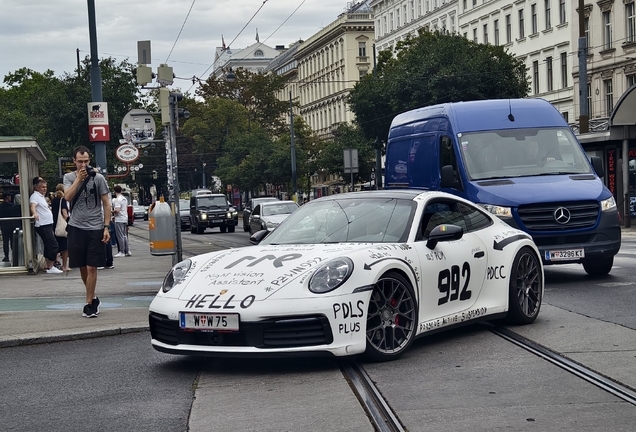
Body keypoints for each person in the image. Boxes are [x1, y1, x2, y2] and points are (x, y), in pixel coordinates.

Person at [63, 146, 111, 318]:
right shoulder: (68, 177)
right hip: (76, 227)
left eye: (86, 161)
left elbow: (106, 203)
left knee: (92, 267)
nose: (83, 165)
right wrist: (78, 180)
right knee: (82, 266)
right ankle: (94, 296)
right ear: (74, 161)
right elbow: (67, 197)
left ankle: (89, 303)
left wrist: (106, 227)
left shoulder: (98, 178)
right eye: (80, 162)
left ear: (89, 161)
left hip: (95, 227)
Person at [29, 177, 62, 274]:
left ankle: (48, 265)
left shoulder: (41, 196)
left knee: (48, 245)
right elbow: (33, 206)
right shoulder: (35, 196)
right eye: (42, 187)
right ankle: (51, 266)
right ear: (37, 188)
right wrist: (34, 213)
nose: (45, 189)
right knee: (53, 245)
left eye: (45, 187)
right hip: (43, 224)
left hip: (47, 223)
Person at [51, 184, 70, 271]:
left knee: (56, 245)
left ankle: (55, 262)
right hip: (62, 226)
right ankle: (64, 266)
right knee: (65, 247)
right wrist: (66, 221)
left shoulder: (54, 200)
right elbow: (65, 214)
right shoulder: (63, 200)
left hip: (55, 225)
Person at [0, 192, 21, 263]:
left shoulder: (1, 207)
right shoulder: (13, 207)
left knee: (5, 241)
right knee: (13, 241)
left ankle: (6, 256)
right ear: (8, 197)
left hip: (4, 226)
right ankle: (14, 255)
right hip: (12, 225)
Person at [112, 185, 130, 257]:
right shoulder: (124, 199)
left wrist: (111, 211)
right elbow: (124, 209)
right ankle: (127, 250)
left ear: (114, 191)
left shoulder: (117, 200)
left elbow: (117, 210)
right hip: (125, 218)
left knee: (120, 236)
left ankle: (122, 251)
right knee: (125, 235)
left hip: (119, 219)